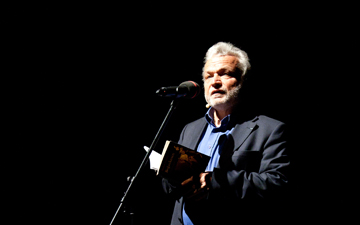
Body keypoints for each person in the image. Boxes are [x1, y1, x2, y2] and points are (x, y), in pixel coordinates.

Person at [162, 42, 290, 225]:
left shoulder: (270, 130)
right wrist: (172, 178)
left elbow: (277, 183)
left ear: (243, 81)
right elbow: (171, 189)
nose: (215, 81)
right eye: (209, 76)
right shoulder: (190, 129)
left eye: (224, 74)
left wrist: (215, 181)